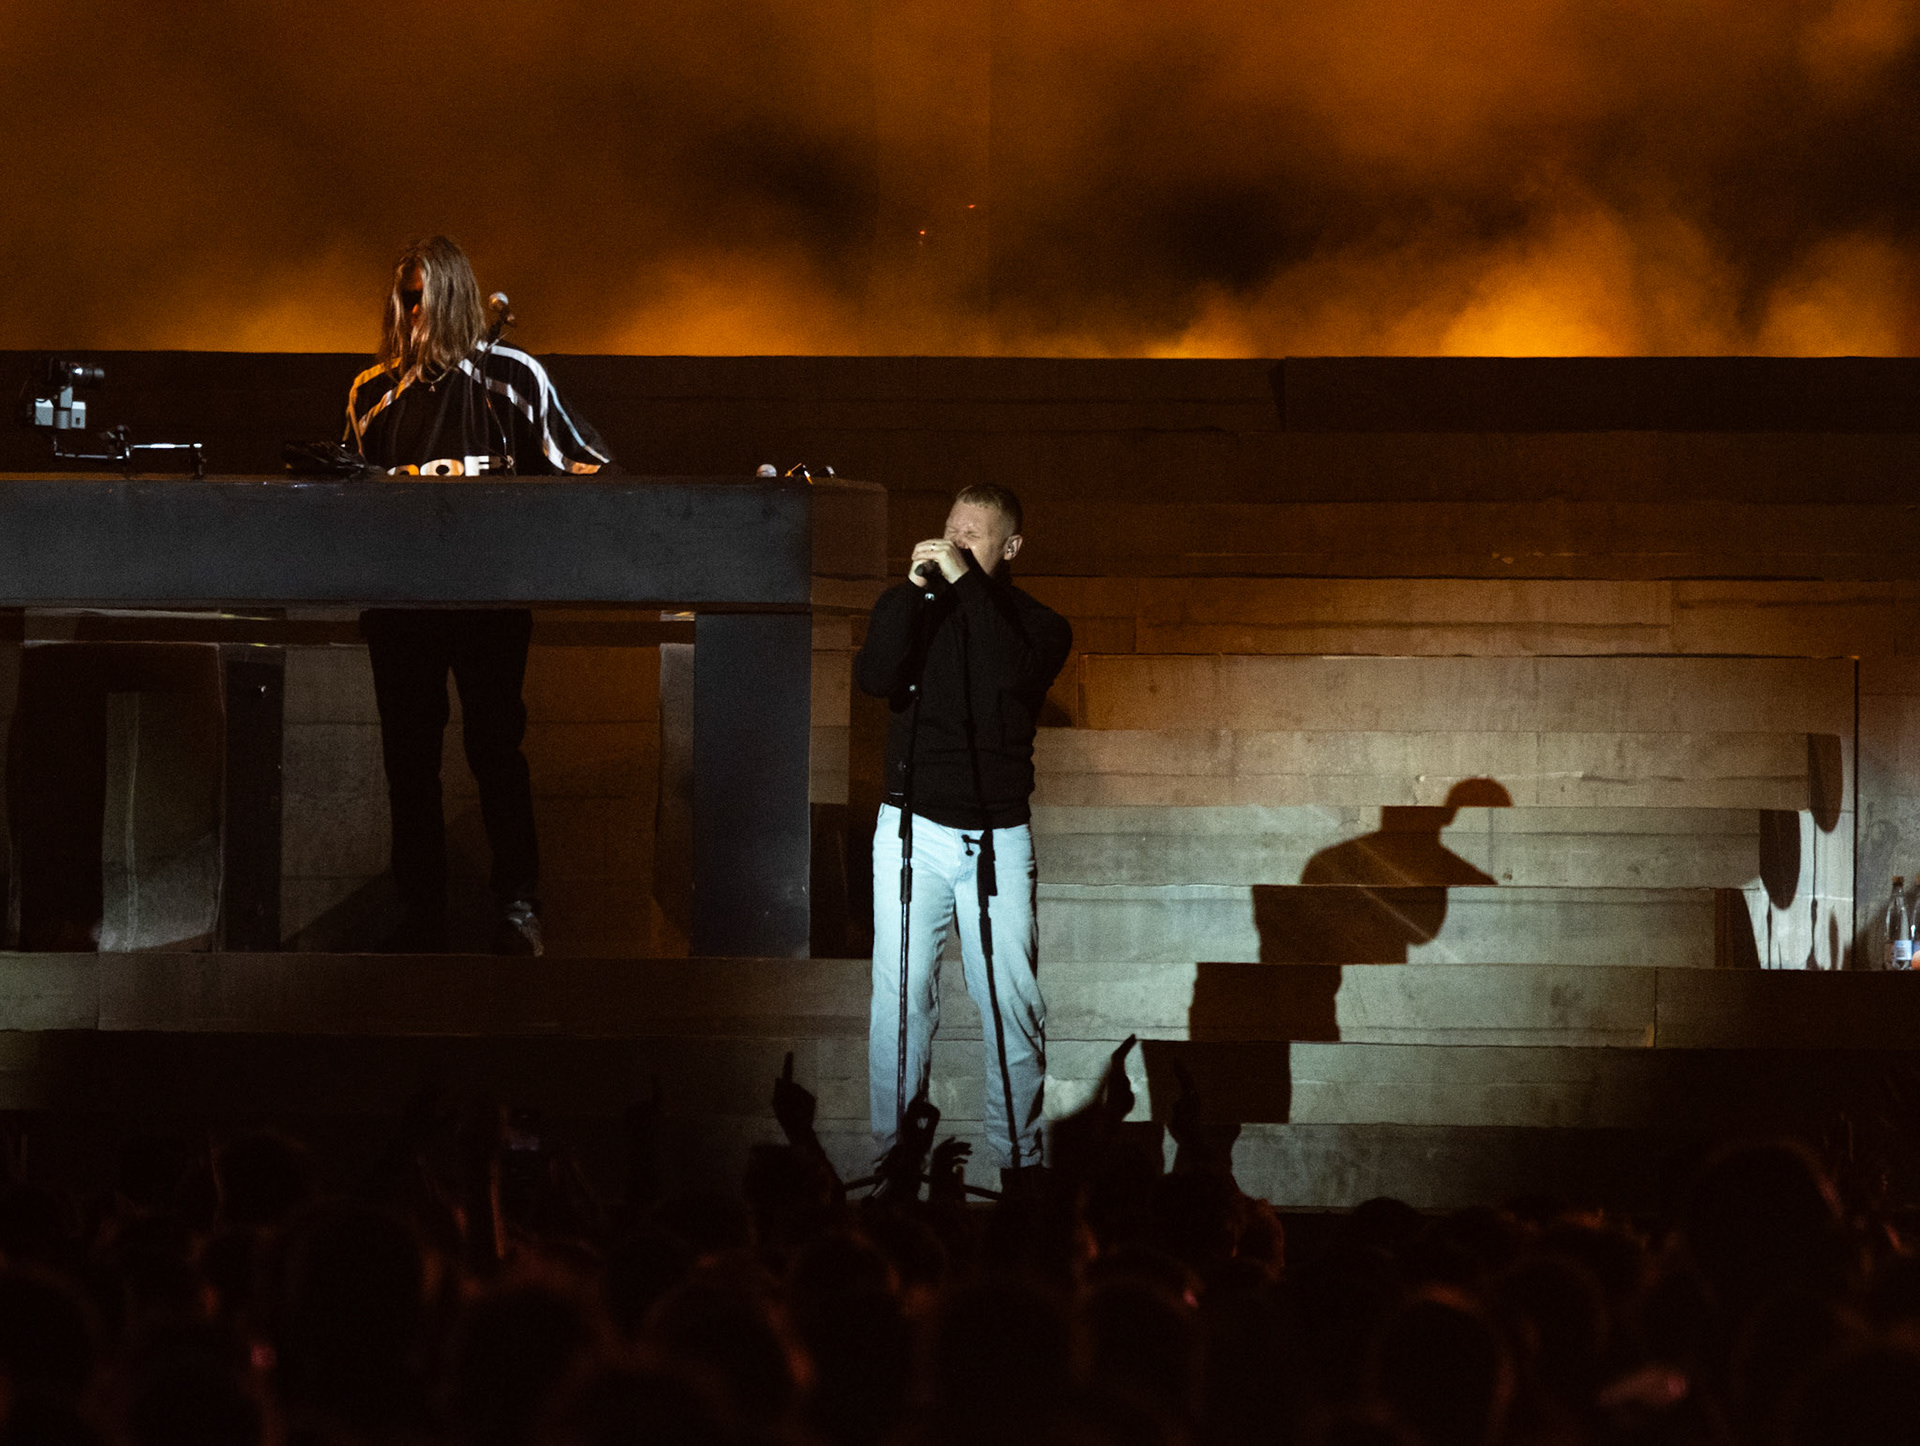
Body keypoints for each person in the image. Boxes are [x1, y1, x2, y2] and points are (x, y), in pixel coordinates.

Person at [345, 235, 613, 955]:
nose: (412, 313)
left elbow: (586, 466)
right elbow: (347, 503)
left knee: (495, 749)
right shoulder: (371, 392)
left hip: (489, 603)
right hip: (401, 607)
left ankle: (519, 906)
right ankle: (421, 914)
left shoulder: (512, 376)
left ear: (455, 296)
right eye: (403, 299)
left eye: (423, 298)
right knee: (409, 760)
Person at [854, 484, 1072, 1187]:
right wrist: (912, 595)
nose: (953, 544)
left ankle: (1020, 1165)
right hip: (911, 827)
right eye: (950, 529)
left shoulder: (1036, 625)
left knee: (1011, 1003)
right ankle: (896, 1163)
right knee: (901, 998)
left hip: (995, 835)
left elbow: (1010, 675)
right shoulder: (910, 608)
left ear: (1010, 547)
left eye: (972, 535)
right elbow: (874, 677)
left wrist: (967, 586)